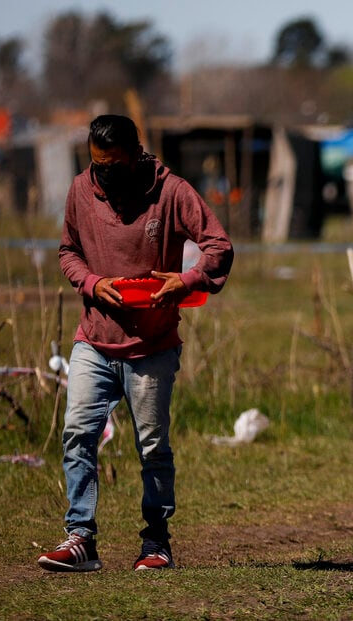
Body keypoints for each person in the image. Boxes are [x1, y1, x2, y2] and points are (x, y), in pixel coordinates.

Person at [37, 114, 233, 572]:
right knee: (77, 435)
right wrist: (89, 282)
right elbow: (68, 251)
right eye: (97, 164)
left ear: (136, 154)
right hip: (95, 340)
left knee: (152, 447)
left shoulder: (171, 191)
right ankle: (81, 538)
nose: (103, 173)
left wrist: (186, 282)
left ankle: (155, 543)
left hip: (152, 346)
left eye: (113, 164)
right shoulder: (81, 190)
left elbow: (218, 246)